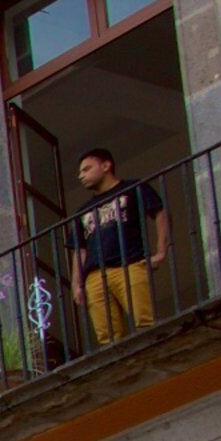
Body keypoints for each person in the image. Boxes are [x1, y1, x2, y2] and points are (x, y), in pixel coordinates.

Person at [69, 146, 167, 347]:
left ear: (106, 165)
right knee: (107, 339)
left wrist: (161, 251)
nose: (81, 176)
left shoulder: (133, 188)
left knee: (146, 323)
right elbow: (79, 249)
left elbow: (160, 213)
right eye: (80, 172)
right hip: (95, 275)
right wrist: (76, 283)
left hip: (130, 263)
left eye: (86, 169)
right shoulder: (82, 211)